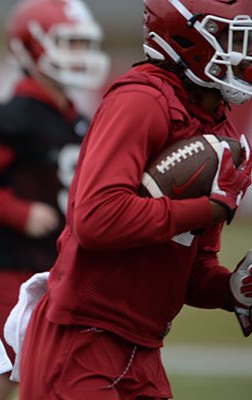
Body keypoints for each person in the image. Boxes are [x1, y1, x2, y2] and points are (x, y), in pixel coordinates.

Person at [18, 0, 252, 398]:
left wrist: (231, 290)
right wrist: (207, 206)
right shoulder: (142, 100)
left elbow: (191, 270)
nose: (243, 52)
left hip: (144, 350)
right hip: (82, 339)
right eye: (230, 37)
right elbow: (96, 219)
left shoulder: (218, 127)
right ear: (187, 35)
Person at [0, 0, 109, 399]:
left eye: (82, 43)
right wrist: (17, 211)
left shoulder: (73, 116)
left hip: (55, 268)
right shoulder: (15, 117)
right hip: (9, 271)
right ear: (32, 47)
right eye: (69, 43)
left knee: (52, 377)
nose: (79, 54)